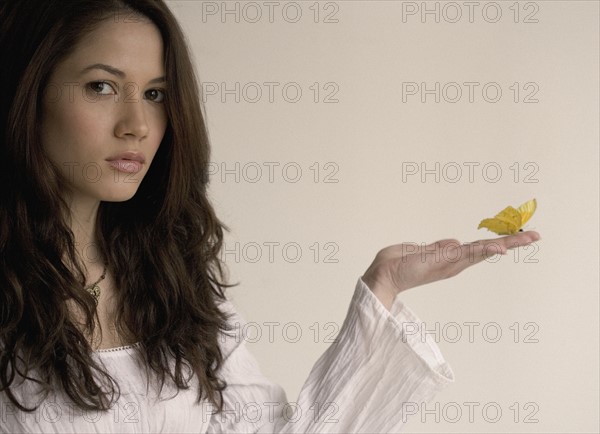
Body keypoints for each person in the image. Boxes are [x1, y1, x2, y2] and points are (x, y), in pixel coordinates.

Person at [0, 0, 541, 432]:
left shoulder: (175, 288)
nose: (138, 124)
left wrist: (383, 287)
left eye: (156, 93)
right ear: (28, 90)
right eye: (102, 86)